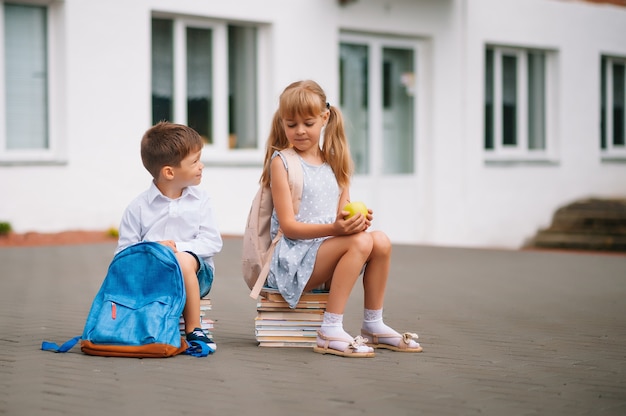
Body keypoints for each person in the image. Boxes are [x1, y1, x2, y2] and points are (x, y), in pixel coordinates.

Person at [261, 80, 422, 358]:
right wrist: (337, 229)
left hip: (325, 251)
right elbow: (289, 227)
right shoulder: (282, 162)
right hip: (292, 260)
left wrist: (354, 221)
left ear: (324, 118)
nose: (299, 131)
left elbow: (342, 216)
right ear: (282, 123)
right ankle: (329, 329)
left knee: (380, 240)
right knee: (359, 244)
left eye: (308, 123)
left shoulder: (336, 163)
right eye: (291, 124)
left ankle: (373, 324)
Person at [116, 121, 223, 349]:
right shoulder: (138, 208)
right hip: (153, 279)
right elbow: (123, 254)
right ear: (169, 172)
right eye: (194, 162)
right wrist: (155, 249)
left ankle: (194, 329)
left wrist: (175, 249)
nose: (201, 166)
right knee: (165, 262)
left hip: (198, 275)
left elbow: (212, 242)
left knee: (183, 261)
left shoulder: (201, 201)